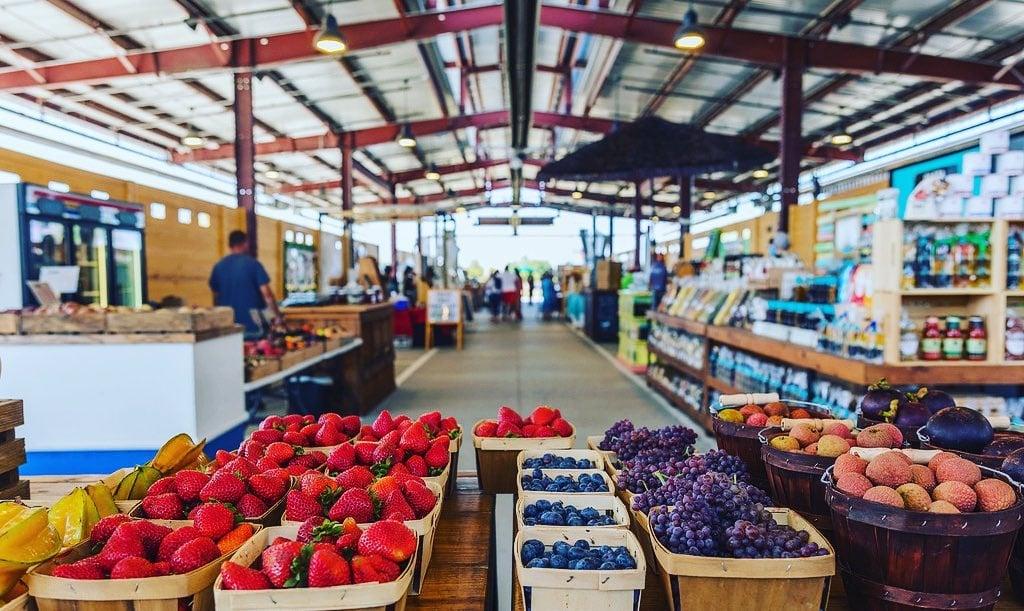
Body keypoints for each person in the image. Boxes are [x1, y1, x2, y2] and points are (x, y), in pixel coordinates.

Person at [209, 230, 282, 335]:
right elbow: (267, 295)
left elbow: (215, 297)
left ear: (230, 245)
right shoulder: (253, 264)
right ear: (245, 243)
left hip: (228, 327)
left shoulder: (218, 266)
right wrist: (277, 316)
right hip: (253, 326)